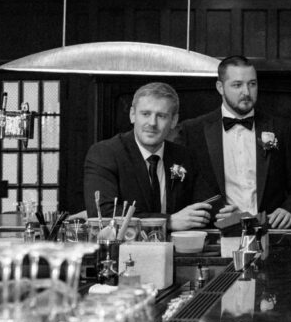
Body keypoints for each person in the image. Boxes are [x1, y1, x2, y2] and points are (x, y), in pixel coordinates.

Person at [178, 55, 291, 229]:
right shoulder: (193, 130)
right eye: (237, 85)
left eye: (252, 84)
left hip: (269, 231)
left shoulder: (281, 128)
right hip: (216, 232)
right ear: (220, 87)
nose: (247, 92)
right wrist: (215, 211)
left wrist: (289, 209)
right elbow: (183, 187)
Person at [83, 81, 212, 230]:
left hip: (178, 245)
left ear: (173, 121)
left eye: (161, 116)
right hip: (125, 244)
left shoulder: (184, 156)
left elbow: (205, 204)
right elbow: (101, 214)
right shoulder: (105, 154)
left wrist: (221, 214)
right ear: (132, 115)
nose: (152, 123)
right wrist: (168, 221)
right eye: (145, 114)